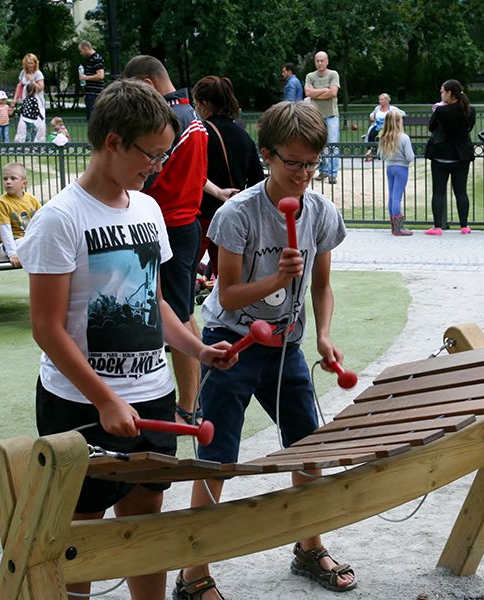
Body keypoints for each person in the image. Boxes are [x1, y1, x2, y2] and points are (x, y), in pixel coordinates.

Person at [15, 79, 236, 600]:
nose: (157, 166)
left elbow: (150, 302)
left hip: (150, 395)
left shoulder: (147, 210)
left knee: (145, 525)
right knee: (83, 533)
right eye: (150, 154)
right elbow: (46, 329)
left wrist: (197, 349)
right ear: (113, 141)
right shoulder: (59, 220)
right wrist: (104, 397)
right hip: (80, 405)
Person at [175, 100, 356, 600]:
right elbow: (228, 293)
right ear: (266, 155)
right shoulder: (237, 214)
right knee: (217, 461)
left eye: (311, 163)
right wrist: (276, 278)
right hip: (229, 344)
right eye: (292, 162)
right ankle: (193, 573)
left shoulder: (320, 211)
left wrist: (322, 335)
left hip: (287, 347)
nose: (302, 174)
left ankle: (308, 546)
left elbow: (321, 286)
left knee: (308, 448)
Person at [123, 55, 237, 427]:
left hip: (168, 225)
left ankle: (189, 405)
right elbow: (195, 171)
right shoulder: (195, 120)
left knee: (175, 315)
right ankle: (194, 399)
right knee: (182, 310)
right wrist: (216, 191)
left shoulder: (169, 121)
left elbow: (150, 173)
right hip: (184, 225)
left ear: (149, 82)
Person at [192, 75, 265, 278]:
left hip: (203, 215)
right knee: (228, 278)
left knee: (185, 274)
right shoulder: (244, 137)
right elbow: (257, 179)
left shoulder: (200, 133)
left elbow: (193, 173)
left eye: (196, 103)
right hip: (233, 216)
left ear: (205, 104)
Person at [424, 79, 476, 236]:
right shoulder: (469, 110)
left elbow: (431, 127)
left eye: (442, 91)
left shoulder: (441, 111)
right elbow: (469, 128)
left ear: (449, 93)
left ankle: (438, 226)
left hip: (441, 156)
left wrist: (437, 111)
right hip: (461, 156)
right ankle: (464, 226)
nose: (441, 94)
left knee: (439, 191)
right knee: (461, 191)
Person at [305, 51, 340, 184]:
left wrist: (316, 93)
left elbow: (333, 93)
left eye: (322, 60)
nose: (320, 63)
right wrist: (324, 90)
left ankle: (332, 173)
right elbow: (308, 92)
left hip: (331, 115)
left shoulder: (333, 74)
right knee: (319, 144)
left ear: (327, 61)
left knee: (332, 144)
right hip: (316, 116)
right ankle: (323, 171)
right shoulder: (310, 76)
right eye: (317, 61)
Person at [0, 162, 41, 266]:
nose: (8, 182)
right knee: (25, 244)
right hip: (15, 240)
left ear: (24, 184)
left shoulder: (32, 199)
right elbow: (5, 229)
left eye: (13, 178)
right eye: (5, 179)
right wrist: (13, 253)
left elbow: (42, 220)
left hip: (31, 238)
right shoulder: (3, 202)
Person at [378, 110, 414, 235]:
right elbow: (409, 156)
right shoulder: (404, 138)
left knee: (392, 196)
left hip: (390, 167)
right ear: (399, 122)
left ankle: (394, 226)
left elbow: (382, 156)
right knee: (397, 197)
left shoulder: (384, 137)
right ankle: (399, 228)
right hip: (401, 168)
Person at [11, 53, 46, 142]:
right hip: (26, 102)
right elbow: (19, 86)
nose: (30, 65)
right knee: (23, 123)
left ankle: (37, 143)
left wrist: (32, 80)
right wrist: (14, 100)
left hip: (37, 102)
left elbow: (41, 88)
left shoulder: (38, 73)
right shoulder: (23, 72)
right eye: (28, 63)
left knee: (37, 124)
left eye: (31, 63)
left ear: (35, 63)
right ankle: (23, 143)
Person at [364, 93, 405, 161]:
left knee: (382, 134)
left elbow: (403, 113)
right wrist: (371, 115)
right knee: (371, 133)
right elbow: (372, 113)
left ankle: (382, 153)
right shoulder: (377, 108)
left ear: (386, 100)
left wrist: (394, 117)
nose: (380, 101)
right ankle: (370, 152)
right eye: (379, 99)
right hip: (377, 126)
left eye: (382, 100)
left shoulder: (392, 108)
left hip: (388, 127)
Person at [78, 40, 105, 120]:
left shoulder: (96, 58)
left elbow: (100, 76)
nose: (81, 53)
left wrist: (85, 77)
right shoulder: (91, 59)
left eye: (81, 51)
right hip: (90, 92)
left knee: (94, 117)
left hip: (95, 93)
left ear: (85, 48)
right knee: (90, 117)